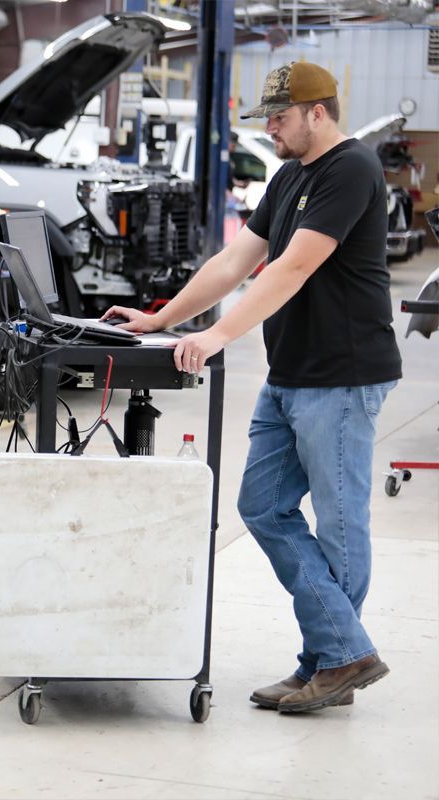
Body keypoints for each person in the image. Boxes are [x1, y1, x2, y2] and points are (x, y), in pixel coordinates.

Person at [104, 61, 400, 713]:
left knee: (339, 526)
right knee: (262, 506)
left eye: (280, 117)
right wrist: (162, 319)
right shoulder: (289, 175)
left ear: (317, 112)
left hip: (343, 375)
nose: (269, 130)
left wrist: (218, 336)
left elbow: (291, 268)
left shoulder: (352, 169)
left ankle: (331, 662)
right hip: (291, 371)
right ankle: (341, 655)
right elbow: (236, 260)